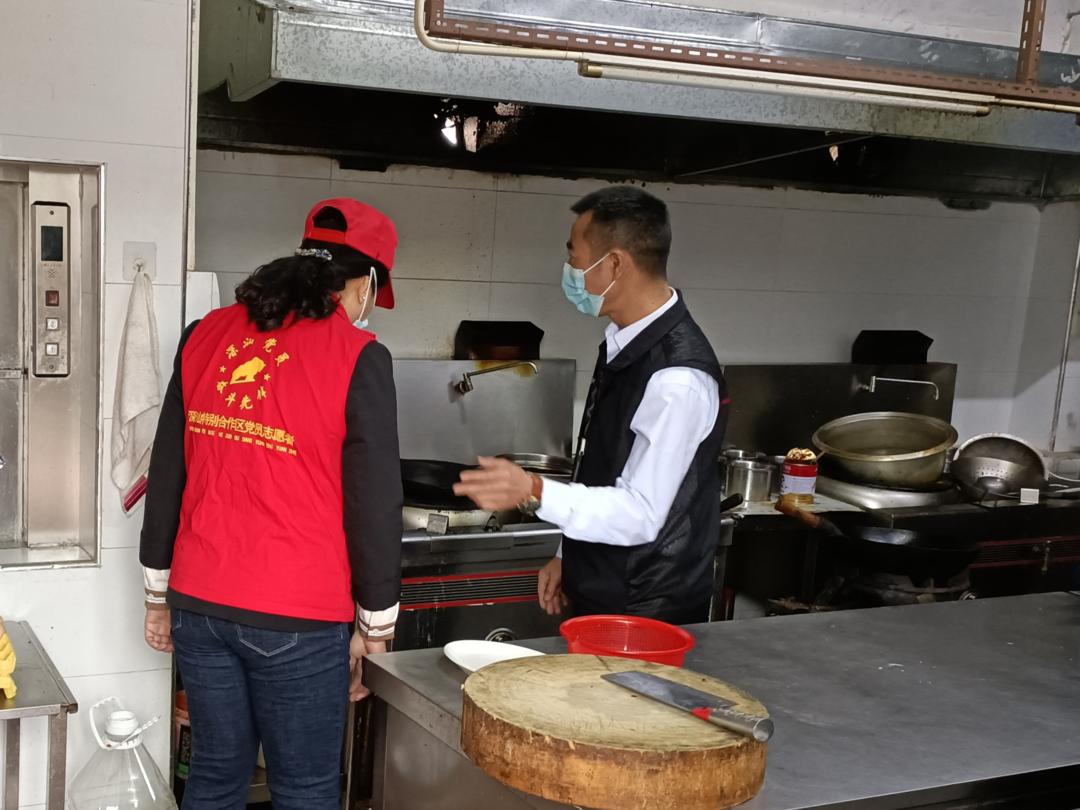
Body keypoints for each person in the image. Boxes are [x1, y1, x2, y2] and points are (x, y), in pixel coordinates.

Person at [139, 198, 403, 810]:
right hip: (298, 615)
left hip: (199, 605)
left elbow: (168, 470)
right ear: (364, 283)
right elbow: (374, 503)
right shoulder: (359, 355)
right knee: (304, 787)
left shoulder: (203, 335)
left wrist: (156, 594)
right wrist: (375, 630)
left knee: (214, 776)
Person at [454, 186, 729, 625]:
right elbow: (603, 468)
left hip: (646, 611)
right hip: (608, 591)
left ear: (615, 264)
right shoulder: (626, 343)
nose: (570, 270)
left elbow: (640, 513)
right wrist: (569, 554)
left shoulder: (677, 378)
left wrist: (533, 490)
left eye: (575, 257)